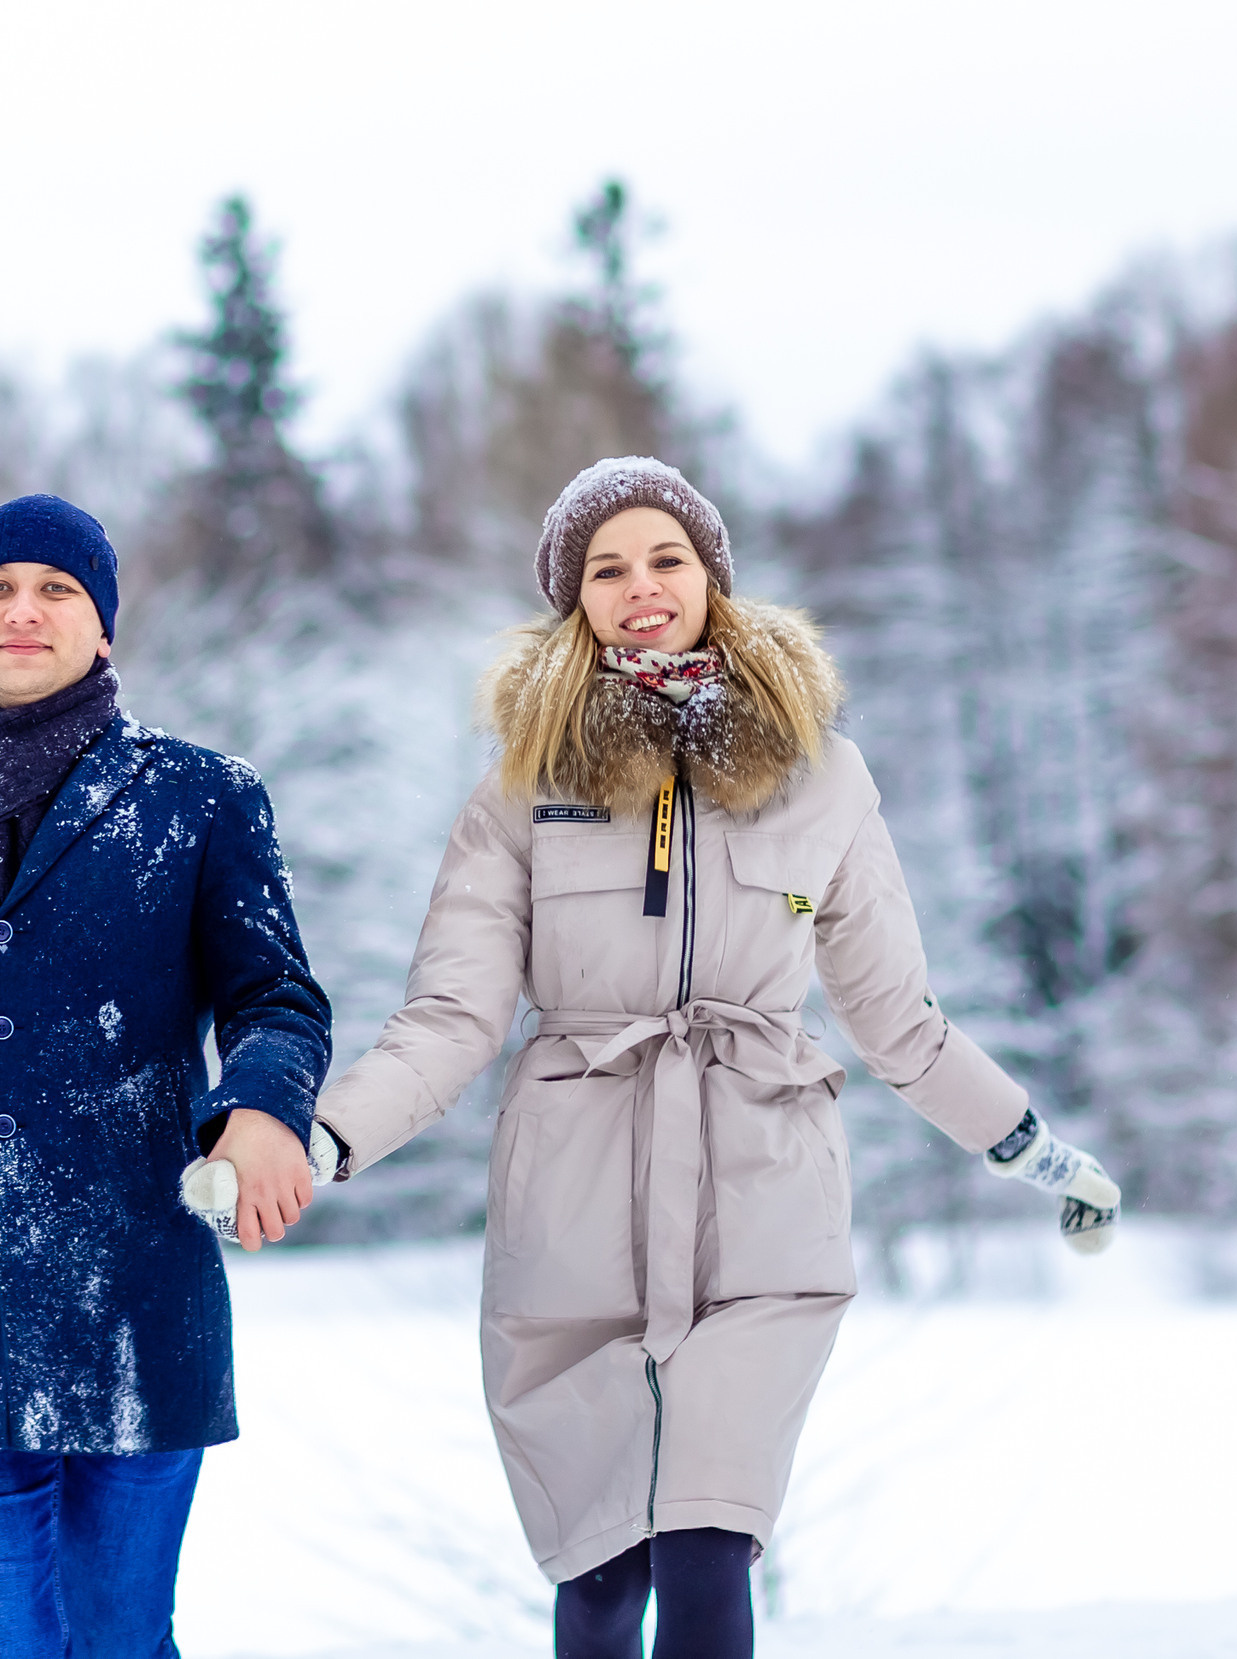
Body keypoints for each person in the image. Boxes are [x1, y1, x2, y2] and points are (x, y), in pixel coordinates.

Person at [311, 458, 1121, 1659]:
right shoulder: (521, 792)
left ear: (712, 577)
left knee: (704, 1545)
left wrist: (1034, 1148)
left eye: (666, 559)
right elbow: (452, 1014)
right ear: (572, 599)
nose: (642, 589)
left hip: (762, 1193)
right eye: (607, 569)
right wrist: (325, 1137)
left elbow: (897, 1016)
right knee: (599, 1570)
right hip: (575, 1201)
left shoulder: (823, 775)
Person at [0, 493, 332, 1659]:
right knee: (0, 1643)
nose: (21, 610)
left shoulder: (200, 800)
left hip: (137, 1284)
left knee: (122, 1636)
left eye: (56, 590)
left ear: (104, 630)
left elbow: (276, 1000)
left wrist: (262, 1108)